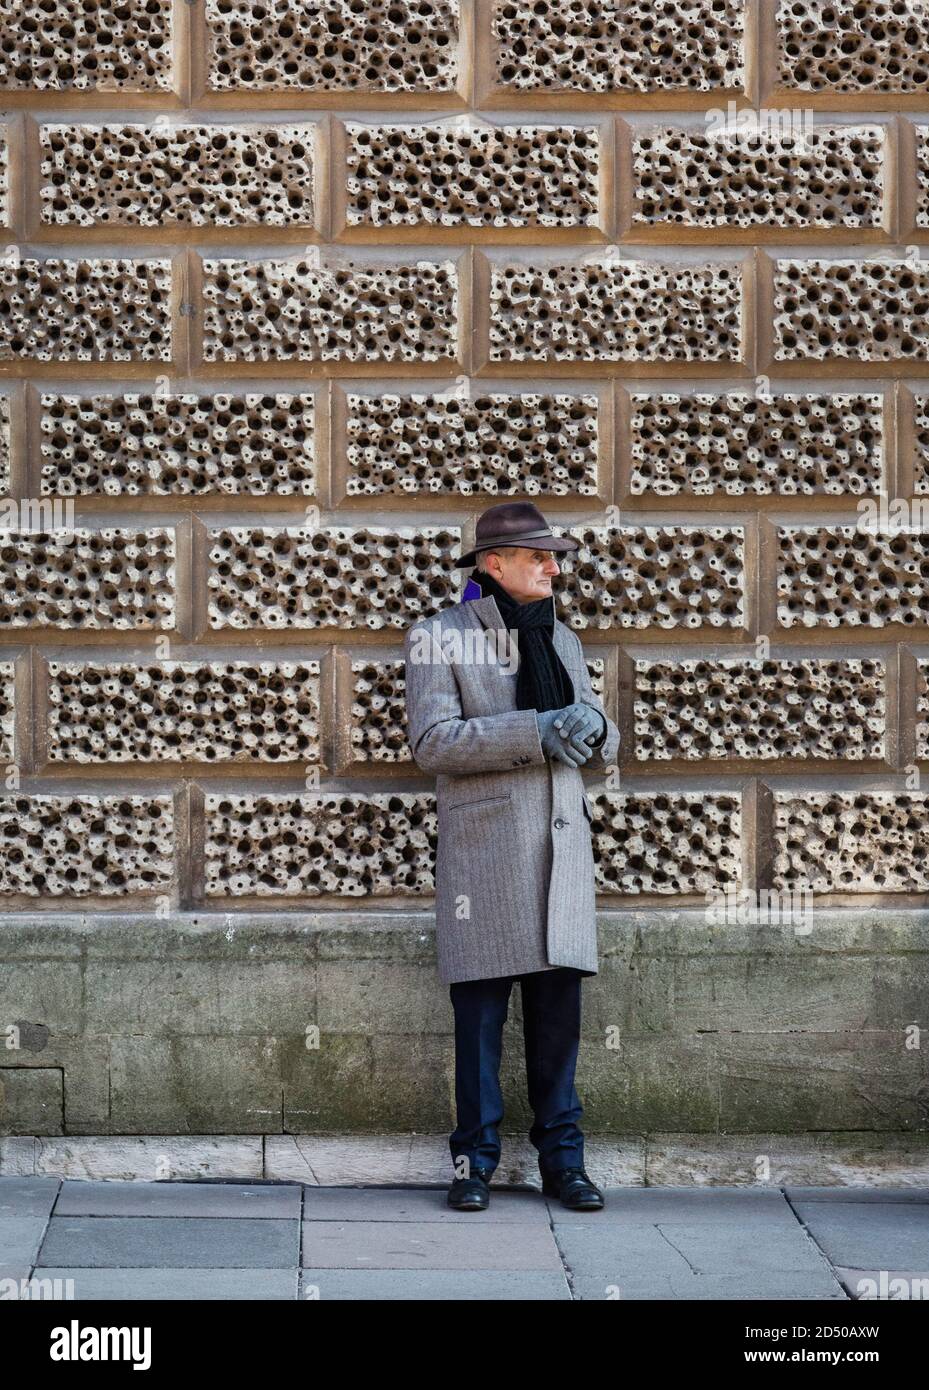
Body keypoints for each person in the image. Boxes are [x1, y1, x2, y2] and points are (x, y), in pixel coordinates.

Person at [402, 501, 620, 1211]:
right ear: (493, 565)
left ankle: (565, 1163)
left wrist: (594, 726)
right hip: (486, 859)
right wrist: (537, 728)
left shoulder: (564, 638)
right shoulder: (441, 637)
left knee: (559, 1022)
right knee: (480, 1026)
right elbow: (432, 742)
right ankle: (473, 1164)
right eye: (539, 556)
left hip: (561, 852)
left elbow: (601, 742)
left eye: (554, 556)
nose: (554, 566)